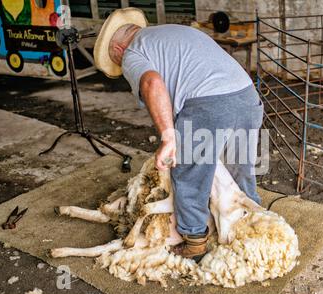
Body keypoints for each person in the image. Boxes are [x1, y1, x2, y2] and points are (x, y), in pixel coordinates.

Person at [94, 8, 263, 262]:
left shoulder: (131, 53)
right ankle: (252, 223)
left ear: (117, 51)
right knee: (239, 166)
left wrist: (169, 137)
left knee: (188, 170)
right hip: (247, 96)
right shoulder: (174, 32)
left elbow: (152, 83)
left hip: (209, 103)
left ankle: (194, 239)